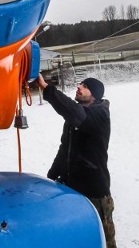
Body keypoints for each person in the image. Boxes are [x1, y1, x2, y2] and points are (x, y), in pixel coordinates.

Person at [37, 75, 117, 248]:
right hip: (72, 188)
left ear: (95, 95)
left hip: (95, 192)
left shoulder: (100, 114)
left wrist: (46, 88)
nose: (79, 87)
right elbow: (65, 148)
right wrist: (52, 176)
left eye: (85, 86)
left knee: (104, 239)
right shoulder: (74, 120)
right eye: (80, 84)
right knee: (79, 237)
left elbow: (74, 112)